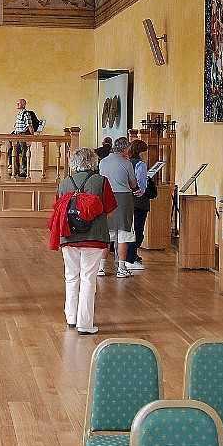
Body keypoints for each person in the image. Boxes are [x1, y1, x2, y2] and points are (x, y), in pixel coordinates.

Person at [57, 148, 117, 335]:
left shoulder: (64, 184)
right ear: (94, 162)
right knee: (88, 279)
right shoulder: (101, 182)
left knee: (71, 276)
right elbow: (110, 209)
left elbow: (59, 209)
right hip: (94, 236)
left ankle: (71, 317)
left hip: (69, 236)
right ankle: (85, 323)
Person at [97, 137, 142, 277]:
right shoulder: (126, 163)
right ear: (124, 150)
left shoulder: (102, 162)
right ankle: (121, 268)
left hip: (107, 198)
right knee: (123, 234)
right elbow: (133, 184)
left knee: (106, 234)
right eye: (128, 148)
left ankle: (100, 267)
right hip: (123, 200)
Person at [126, 138, 150, 271]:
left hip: (127, 200)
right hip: (138, 201)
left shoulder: (127, 162)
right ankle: (130, 257)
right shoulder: (141, 164)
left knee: (129, 229)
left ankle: (129, 255)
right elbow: (141, 183)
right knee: (138, 230)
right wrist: (141, 190)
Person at [8, 98, 34, 178]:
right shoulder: (19, 114)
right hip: (17, 135)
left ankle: (24, 170)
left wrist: (32, 137)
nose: (17, 105)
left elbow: (30, 125)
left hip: (23, 135)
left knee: (24, 153)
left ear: (23, 105)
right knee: (13, 151)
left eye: (19, 103)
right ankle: (16, 169)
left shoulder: (26, 114)